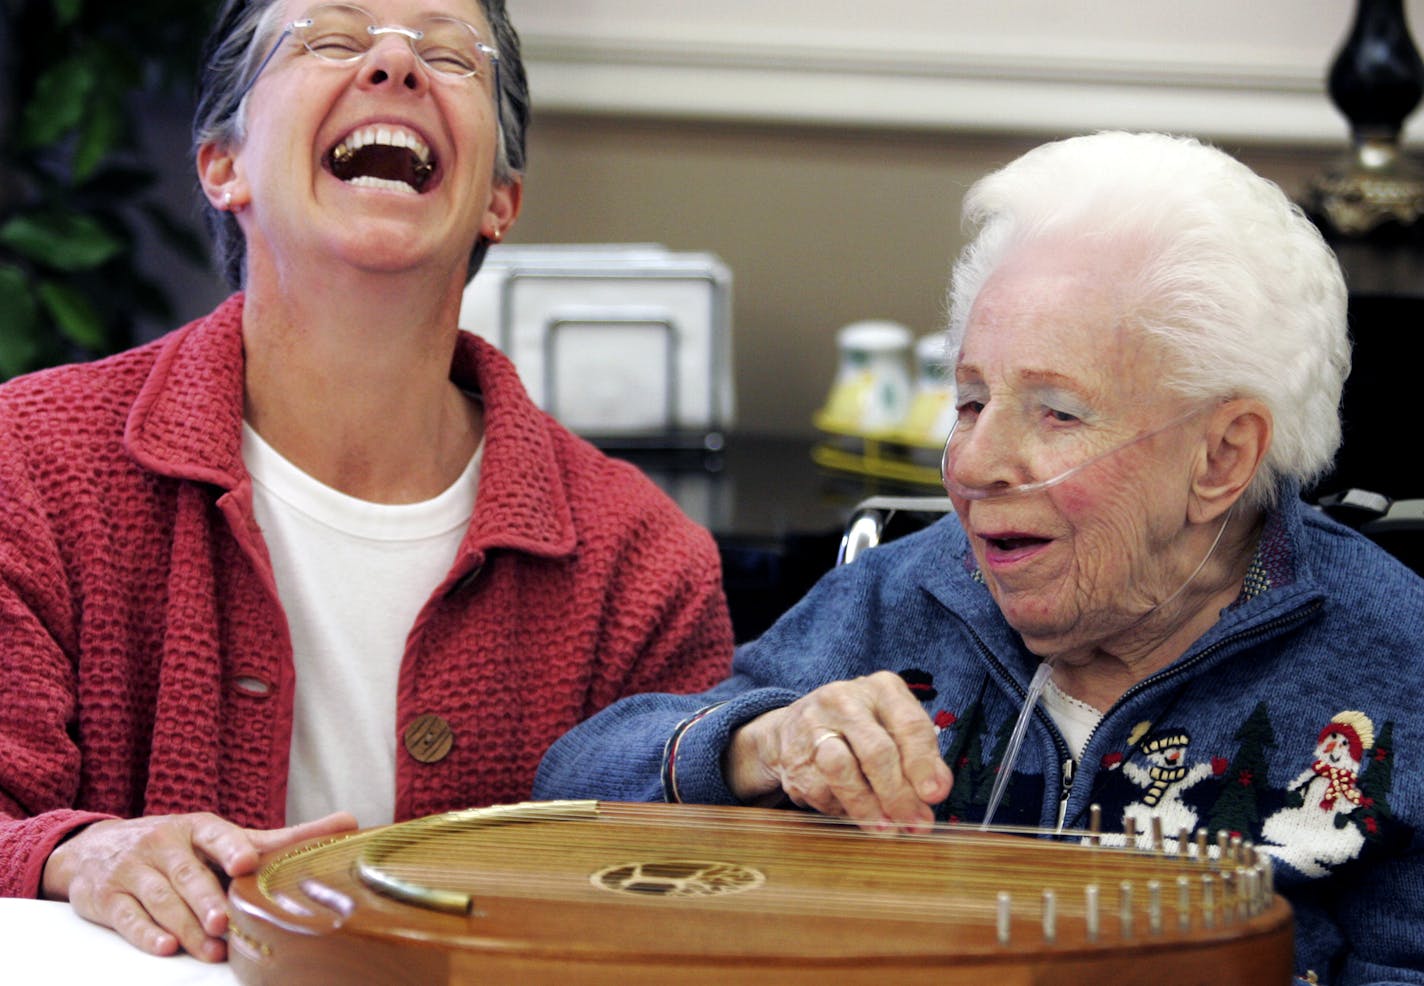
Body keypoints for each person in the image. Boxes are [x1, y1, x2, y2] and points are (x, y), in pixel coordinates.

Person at [534, 132, 1424, 985]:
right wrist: (759, 744)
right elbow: (565, 797)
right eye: (968, 402)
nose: (971, 465)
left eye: (1057, 413)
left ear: (1221, 456)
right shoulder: (897, 599)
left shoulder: (1397, 665)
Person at [0, 0, 734, 964]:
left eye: (449, 54)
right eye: (333, 39)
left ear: (500, 199)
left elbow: (680, 907)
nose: (395, 64)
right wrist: (80, 850)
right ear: (223, 165)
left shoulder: (642, 561)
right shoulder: (30, 461)